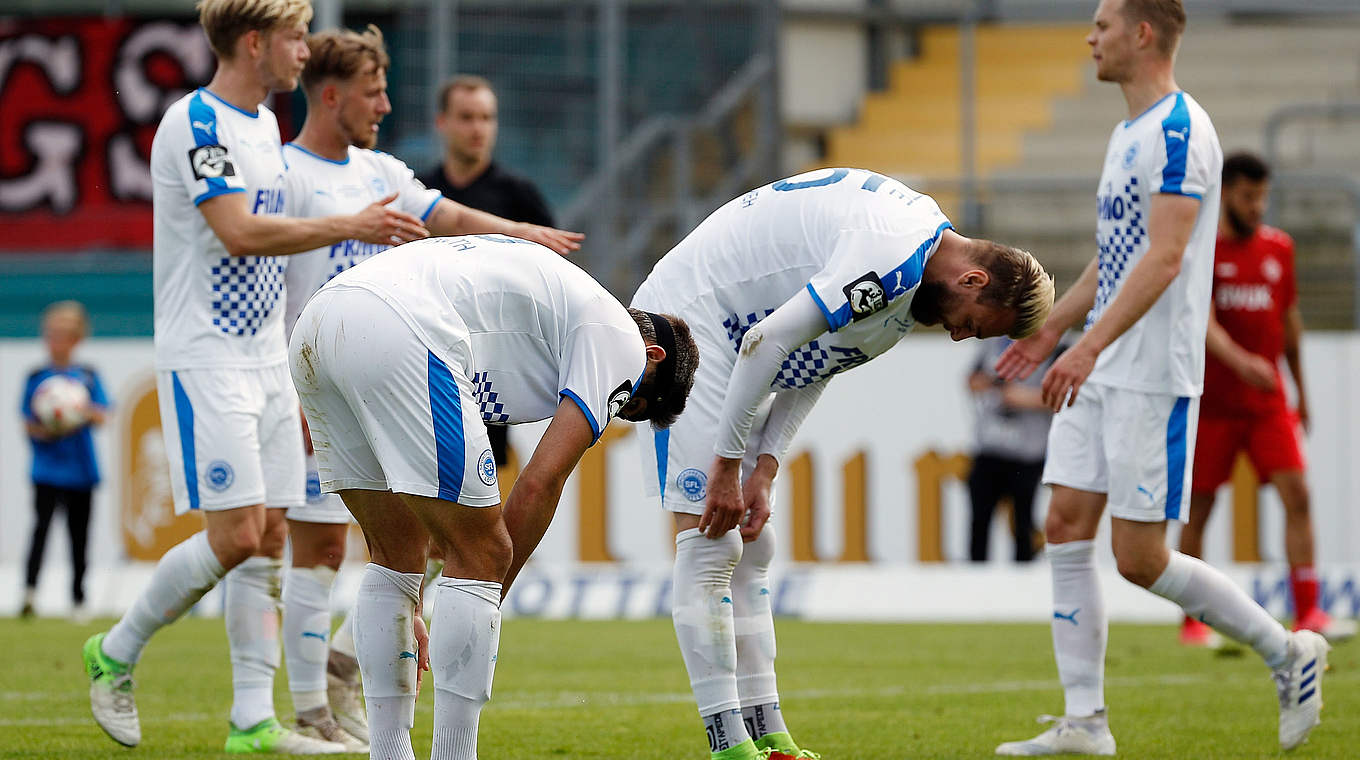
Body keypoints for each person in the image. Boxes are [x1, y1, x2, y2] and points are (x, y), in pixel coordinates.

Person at [81, 0, 433, 753]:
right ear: (254, 43)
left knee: (271, 534)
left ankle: (252, 721)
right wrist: (350, 225)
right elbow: (237, 231)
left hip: (267, 358)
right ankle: (116, 649)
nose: (305, 51)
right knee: (238, 536)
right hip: (206, 355)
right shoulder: (196, 124)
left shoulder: (267, 128)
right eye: (295, 37)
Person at [993, 2, 1330, 755]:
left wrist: (1088, 347)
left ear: (1143, 33)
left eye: (1102, 24)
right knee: (1065, 525)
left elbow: (1166, 258)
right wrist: (1056, 328)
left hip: (1149, 372)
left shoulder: (1181, 130)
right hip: (1103, 360)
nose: (1090, 37)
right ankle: (1084, 723)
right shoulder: (1126, 134)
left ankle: (1289, 652)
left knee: (1139, 557)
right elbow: (1115, 258)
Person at [630, 166, 1055, 760]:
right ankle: (728, 744)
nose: (962, 338)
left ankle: (770, 736)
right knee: (710, 541)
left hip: (740, 333)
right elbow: (767, 343)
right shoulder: (890, 257)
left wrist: (766, 468)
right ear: (973, 278)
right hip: (693, 316)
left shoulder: (909, 294)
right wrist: (728, 464)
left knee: (756, 544)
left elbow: (814, 365)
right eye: (976, 325)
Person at [276, 25, 584, 751]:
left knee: (409, 545)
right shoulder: (284, 177)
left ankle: (351, 673)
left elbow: (440, 213)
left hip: (421, 381)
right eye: (373, 90)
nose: (385, 103)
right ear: (332, 95)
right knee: (293, 545)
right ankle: (296, 705)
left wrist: (517, 231)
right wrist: (289, 389)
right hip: (324, 378)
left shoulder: (385, 171)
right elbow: (259, 269)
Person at [287, 234, 698, 760]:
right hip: (401, 326)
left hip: (322, 321)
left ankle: (388, 753)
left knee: (395, 560)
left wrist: (433, 597)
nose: (612, 409)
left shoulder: (556, 315)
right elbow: (539, 483)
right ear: (652, 356)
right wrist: (482, 597)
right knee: (488, 553)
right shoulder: (618, 339)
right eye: (629, 403)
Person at [1178, 152, 1357, 647]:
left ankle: (1309, 613)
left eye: (1263, 197)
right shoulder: (1206, 252)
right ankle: (1192, 622)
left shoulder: (1280, 249)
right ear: (1227, 193)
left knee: (1298, 495)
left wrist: (1301, 390)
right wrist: (1240, 362)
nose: (1257, 206)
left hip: (1268, 402)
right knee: (1200, 507)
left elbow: (1289, 323)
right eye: (1247, 197)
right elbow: (1202, 322)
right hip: (1215, 401)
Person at [419, 74, 560, 475]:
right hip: (425, 355)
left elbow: (552, 278)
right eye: (466, 117)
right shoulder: (423, 194)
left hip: (489, 365)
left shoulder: (519, 197)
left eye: (486, 118)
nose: (478, 128)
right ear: (442, 122)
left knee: (483, 488)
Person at [20, 301, 110, 622]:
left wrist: (80, 413)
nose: (55, 341)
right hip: (46, 469)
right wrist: (48, 427)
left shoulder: (87, 376)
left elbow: (103, 414)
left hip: (81, 470)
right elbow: (28, 422)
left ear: (76, 339)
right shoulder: (37, 377)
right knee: (41, 530)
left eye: (62, 335)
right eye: (51, 335)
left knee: (79, 536)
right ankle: (29, 594)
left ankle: (78, 598)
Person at [966, 337, 1061, 563]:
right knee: (979, 521)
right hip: (990, 448)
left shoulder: (1056, 343)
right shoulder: (992, 341)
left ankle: (1024, 577)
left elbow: (1062, 394)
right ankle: (974, 580)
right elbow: (972, 381)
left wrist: (1022, 398)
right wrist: (993, 384)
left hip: (1028, 451)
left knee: (1024, 523)